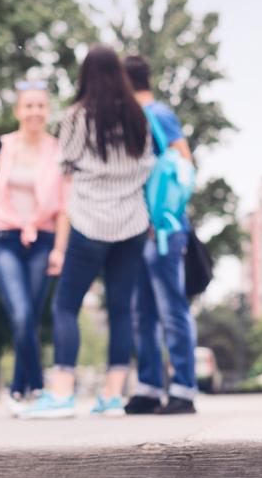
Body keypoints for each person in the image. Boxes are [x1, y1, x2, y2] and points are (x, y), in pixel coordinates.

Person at [17, 45, 153, 419]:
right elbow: (146, 164)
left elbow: (65, 162)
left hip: (90, 223)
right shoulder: (138, 116)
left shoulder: (77, 116)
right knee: (121, 309)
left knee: (65, 304)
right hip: (132, 223)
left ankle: (61, 393)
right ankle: (112, 397)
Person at [0, 81, 66, 414]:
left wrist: (60, 249)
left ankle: (19, 390)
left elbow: (64, 206)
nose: (35, 112)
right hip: (3, 238)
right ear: (18, 110)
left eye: (41, 106)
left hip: (43, 239)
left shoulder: (58, 150)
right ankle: (38, 389)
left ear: (48, 111)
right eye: (28, 106)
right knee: (19, 313)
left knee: (29, 319)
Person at [120, 54, 200, 416]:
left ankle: (183, 387)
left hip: (163, 230)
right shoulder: (137, 118)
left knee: (171, 308)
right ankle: (149, 386)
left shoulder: (159, 115)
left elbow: (185, 165)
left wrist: (164, 214)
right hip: (138, 230)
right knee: (142, 310)